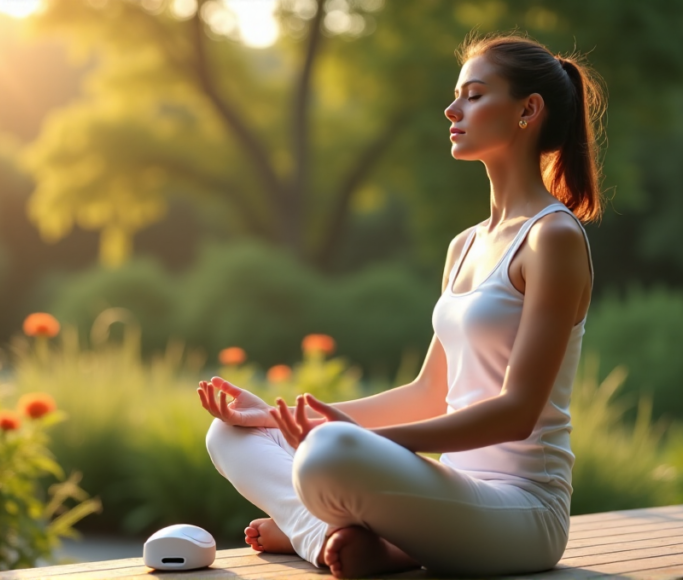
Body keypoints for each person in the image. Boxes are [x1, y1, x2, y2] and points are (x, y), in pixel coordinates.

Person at [197, 32, 604, 579]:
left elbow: (518, 411)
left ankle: (315, 529)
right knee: (230, 434)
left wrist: (350, 440)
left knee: (330, 454)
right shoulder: (465, 245)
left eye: (475, 95)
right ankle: (331, 536)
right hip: (452, 494)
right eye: (457, 94)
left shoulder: (551, 238)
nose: (451, 108)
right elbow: (429, 393)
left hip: (522, 514)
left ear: (528, 110)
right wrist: (276, 419)